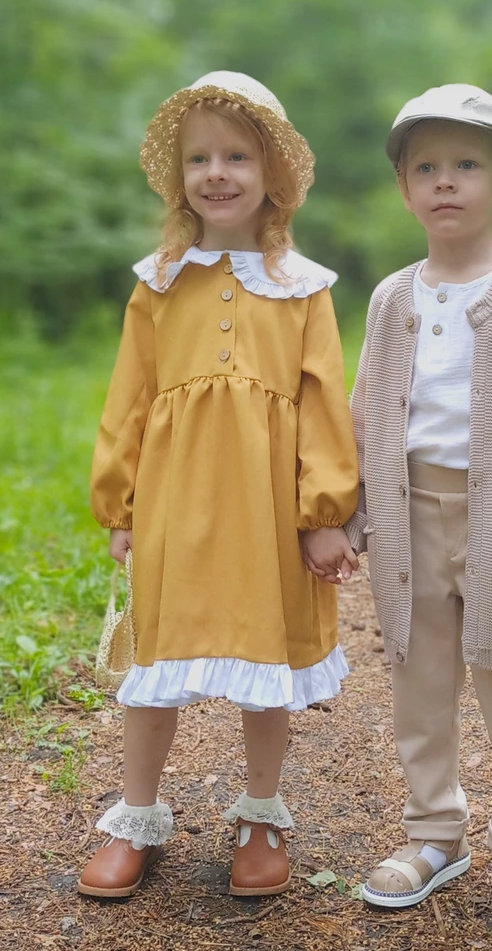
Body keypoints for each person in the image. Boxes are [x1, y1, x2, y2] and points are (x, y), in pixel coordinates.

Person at [315, 84, 492, 935]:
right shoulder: (394, 296)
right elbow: (366, 410)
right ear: (404, 189)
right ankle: (435, 835)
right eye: (425, 167)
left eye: (466, 165)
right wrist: (348, 517)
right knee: (419, 684)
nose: (445, 182)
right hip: (408, 518)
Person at [78, 71, 359, 900]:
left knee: (264, 652)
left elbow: (321, 404)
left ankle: (261, 811)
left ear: (272, 174)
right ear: (179, 179)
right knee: (156, 655)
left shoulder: (304, 288)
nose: (217, 172)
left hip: (267, 505)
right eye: (199, 157)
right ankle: (136, 814)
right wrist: (121, 502)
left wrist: (324, 513)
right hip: (175, 498)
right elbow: (128, 396)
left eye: (237, 155)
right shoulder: (160, 282)